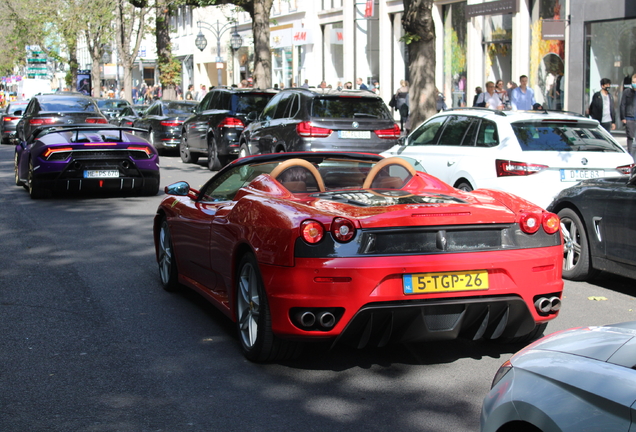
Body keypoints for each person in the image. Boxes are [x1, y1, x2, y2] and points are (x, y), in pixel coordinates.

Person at [620, 73, 636, 158]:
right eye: (633, 81)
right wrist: (623, 117)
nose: (634, 83)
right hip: (630, 118)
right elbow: (623, 104)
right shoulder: (627, 92)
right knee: (630, 138)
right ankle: (631, 158)